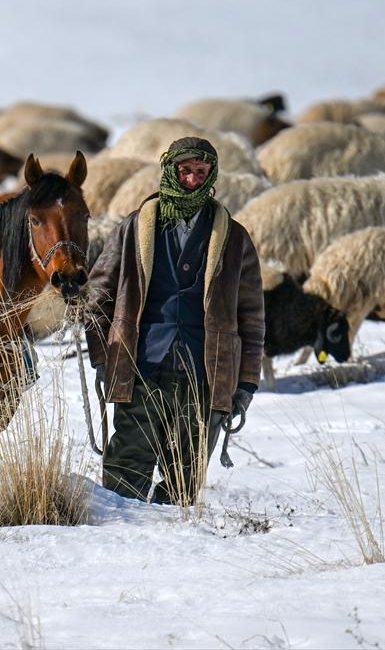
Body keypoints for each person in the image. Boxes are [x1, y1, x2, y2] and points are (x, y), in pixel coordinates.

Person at [85, 136, 265, 504]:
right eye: (185, 170)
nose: (193, 179)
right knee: (126, 471)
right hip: (142, 364)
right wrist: (104, 359)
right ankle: (121, 541)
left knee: (185, 476)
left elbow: (252, 318)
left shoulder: (234, 238)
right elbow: (97, 298)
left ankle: (175, 550)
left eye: (201, 171)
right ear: (170, 170)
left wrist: (246, 382)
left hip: (205, 369)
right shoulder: (135, 228)